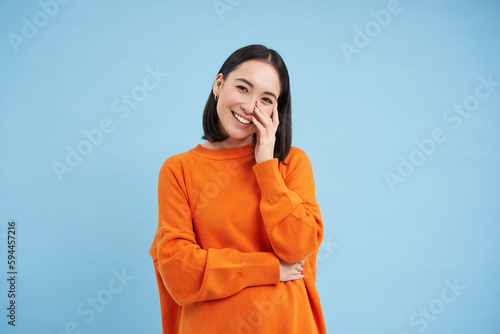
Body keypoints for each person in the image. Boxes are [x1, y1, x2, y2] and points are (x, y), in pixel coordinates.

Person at [149, 44, 326, 334]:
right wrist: (269, 269)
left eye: (266, 99)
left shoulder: (292, 163)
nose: (250, 106)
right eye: (243, 88)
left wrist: (266, 167)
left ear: (276, 110)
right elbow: (179, 271)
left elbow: (298, 248)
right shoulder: (179, 169)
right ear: (219, 84)